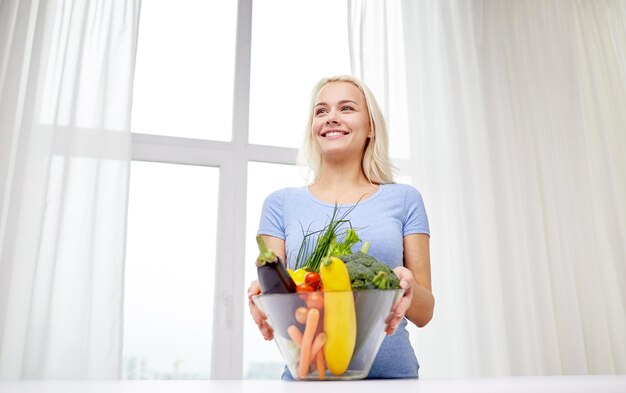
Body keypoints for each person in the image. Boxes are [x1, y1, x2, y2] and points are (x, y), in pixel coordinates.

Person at [247, 74, 434, 379]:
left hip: (393, 380)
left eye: (346, 108)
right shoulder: (279, 204)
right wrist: (260, 298)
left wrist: (408, 289)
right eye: (321, 111)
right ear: (313, 129)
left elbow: (425, 313)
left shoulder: (404, 199)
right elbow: (276, 294)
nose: (331, 117)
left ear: (371, 126)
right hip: (310, 377)